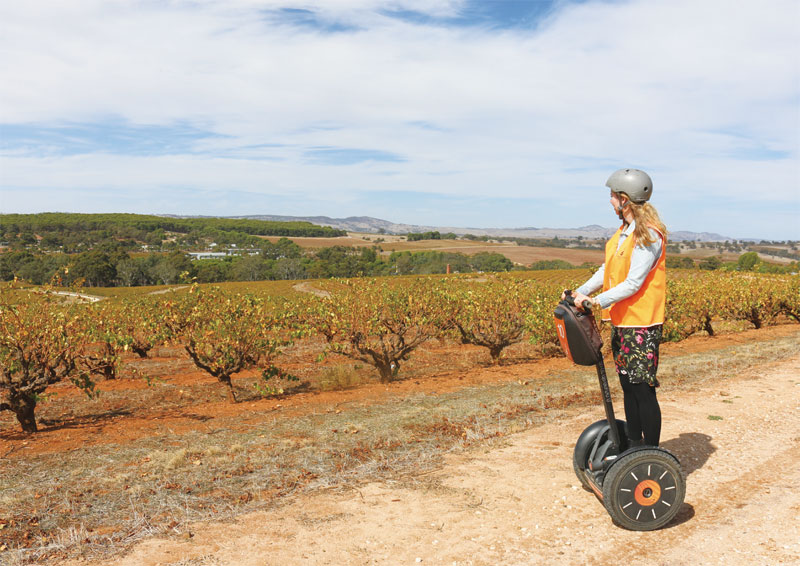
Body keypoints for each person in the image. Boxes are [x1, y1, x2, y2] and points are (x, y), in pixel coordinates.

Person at [565, 168, 668, 447]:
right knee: (627, 387)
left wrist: (595, 302)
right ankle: (634, 445)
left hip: (642, 324)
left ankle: (651, 453)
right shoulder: (623, 233)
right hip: (623, 322)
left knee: (642, 390)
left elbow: (634, 283)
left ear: (625, 199)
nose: (610, 201)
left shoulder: (649, 235)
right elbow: (607, 270)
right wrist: (582, 291)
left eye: (612, 196)